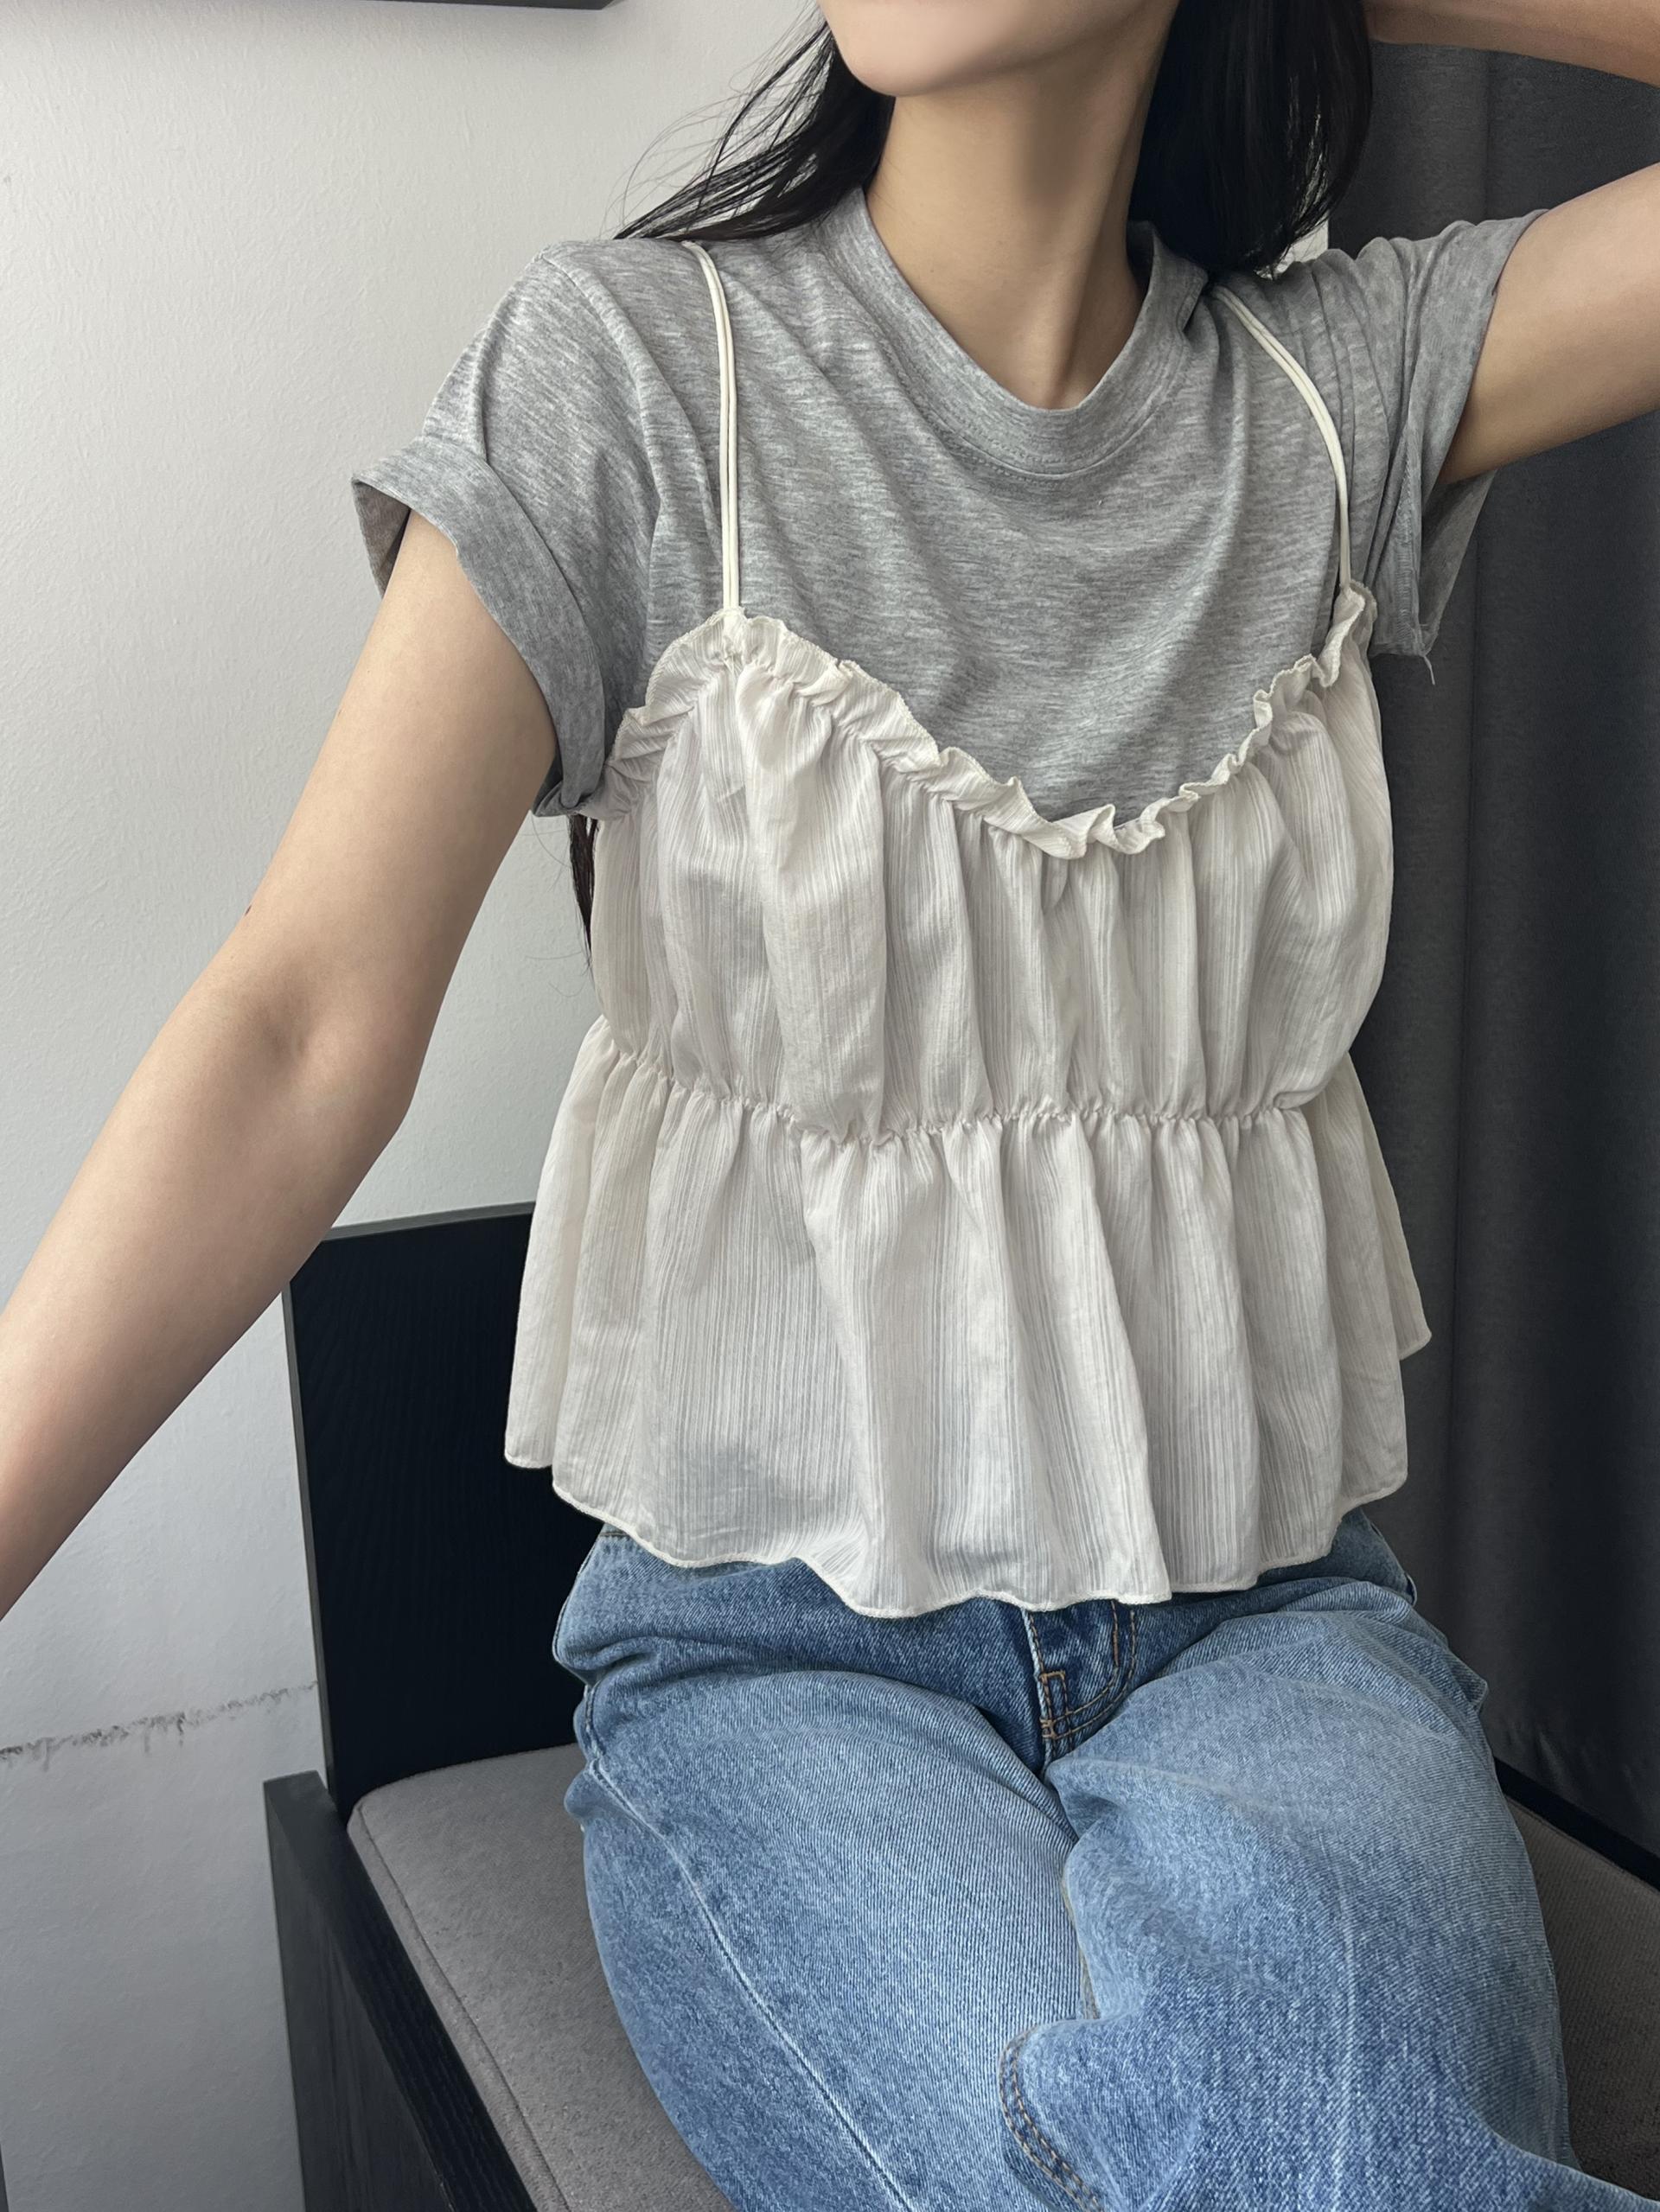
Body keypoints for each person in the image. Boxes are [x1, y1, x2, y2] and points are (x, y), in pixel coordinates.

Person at [4, 1, 1658, 2205]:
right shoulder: (628, 379)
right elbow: (300, 1026)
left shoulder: (1332, 395)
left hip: (1266, 1629)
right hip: (782, 1676)